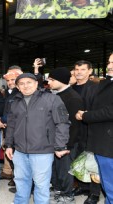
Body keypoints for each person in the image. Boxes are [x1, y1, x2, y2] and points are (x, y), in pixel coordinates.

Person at [5, 73, 70, 204]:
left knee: (41, 184)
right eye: (21, 84)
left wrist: (60, 146)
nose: (25, 86)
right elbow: (11, 125)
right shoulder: (15, 102)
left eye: (29, 82)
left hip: (42, 151)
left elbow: (62, 123)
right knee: (21, 181)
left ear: (36, 84)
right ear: (17, 86)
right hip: (20, 151)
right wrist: (9, 145)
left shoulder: (52, 99)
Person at [76, 53, 113, 204]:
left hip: (108, 144)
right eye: (109, 62)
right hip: (103, 142)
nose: (109, 66)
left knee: (110, 186)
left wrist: (86, 116)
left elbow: (110, 111)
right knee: (108, 184)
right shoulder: (107, 82)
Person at [47, 68, 84, 204]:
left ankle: (68, 195)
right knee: (56, 168)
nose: (49, 82)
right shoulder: (55, 94)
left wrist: (66, 145)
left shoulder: (73, 98)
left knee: (64, 170)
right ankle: (57, 190)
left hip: (67, 142)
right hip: (54, 140)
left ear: (62, 80)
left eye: (52, 79)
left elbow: (74, 125)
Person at [71, 60, 101, 204]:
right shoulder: (71, 88)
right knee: (79, 160)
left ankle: (94, 193)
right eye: (77, 69)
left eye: (82, 69)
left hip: (90, 130)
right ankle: (83, 186)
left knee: (92, 163)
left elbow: (100, 110)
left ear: (90, 71)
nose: (79, 72)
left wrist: (86, 114)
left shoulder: (96, 88)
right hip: (75, 132)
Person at [0, 67, 23, 188]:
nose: (11, 82)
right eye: (8, 80)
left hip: (18, 130)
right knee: (11, 154)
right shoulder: (8, 92)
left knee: (18, 157)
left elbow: (17, 112)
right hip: (8, 128)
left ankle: (19, 180)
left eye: (13, 79)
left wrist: (2, 120)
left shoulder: (22, 92)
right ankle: (14, 176)